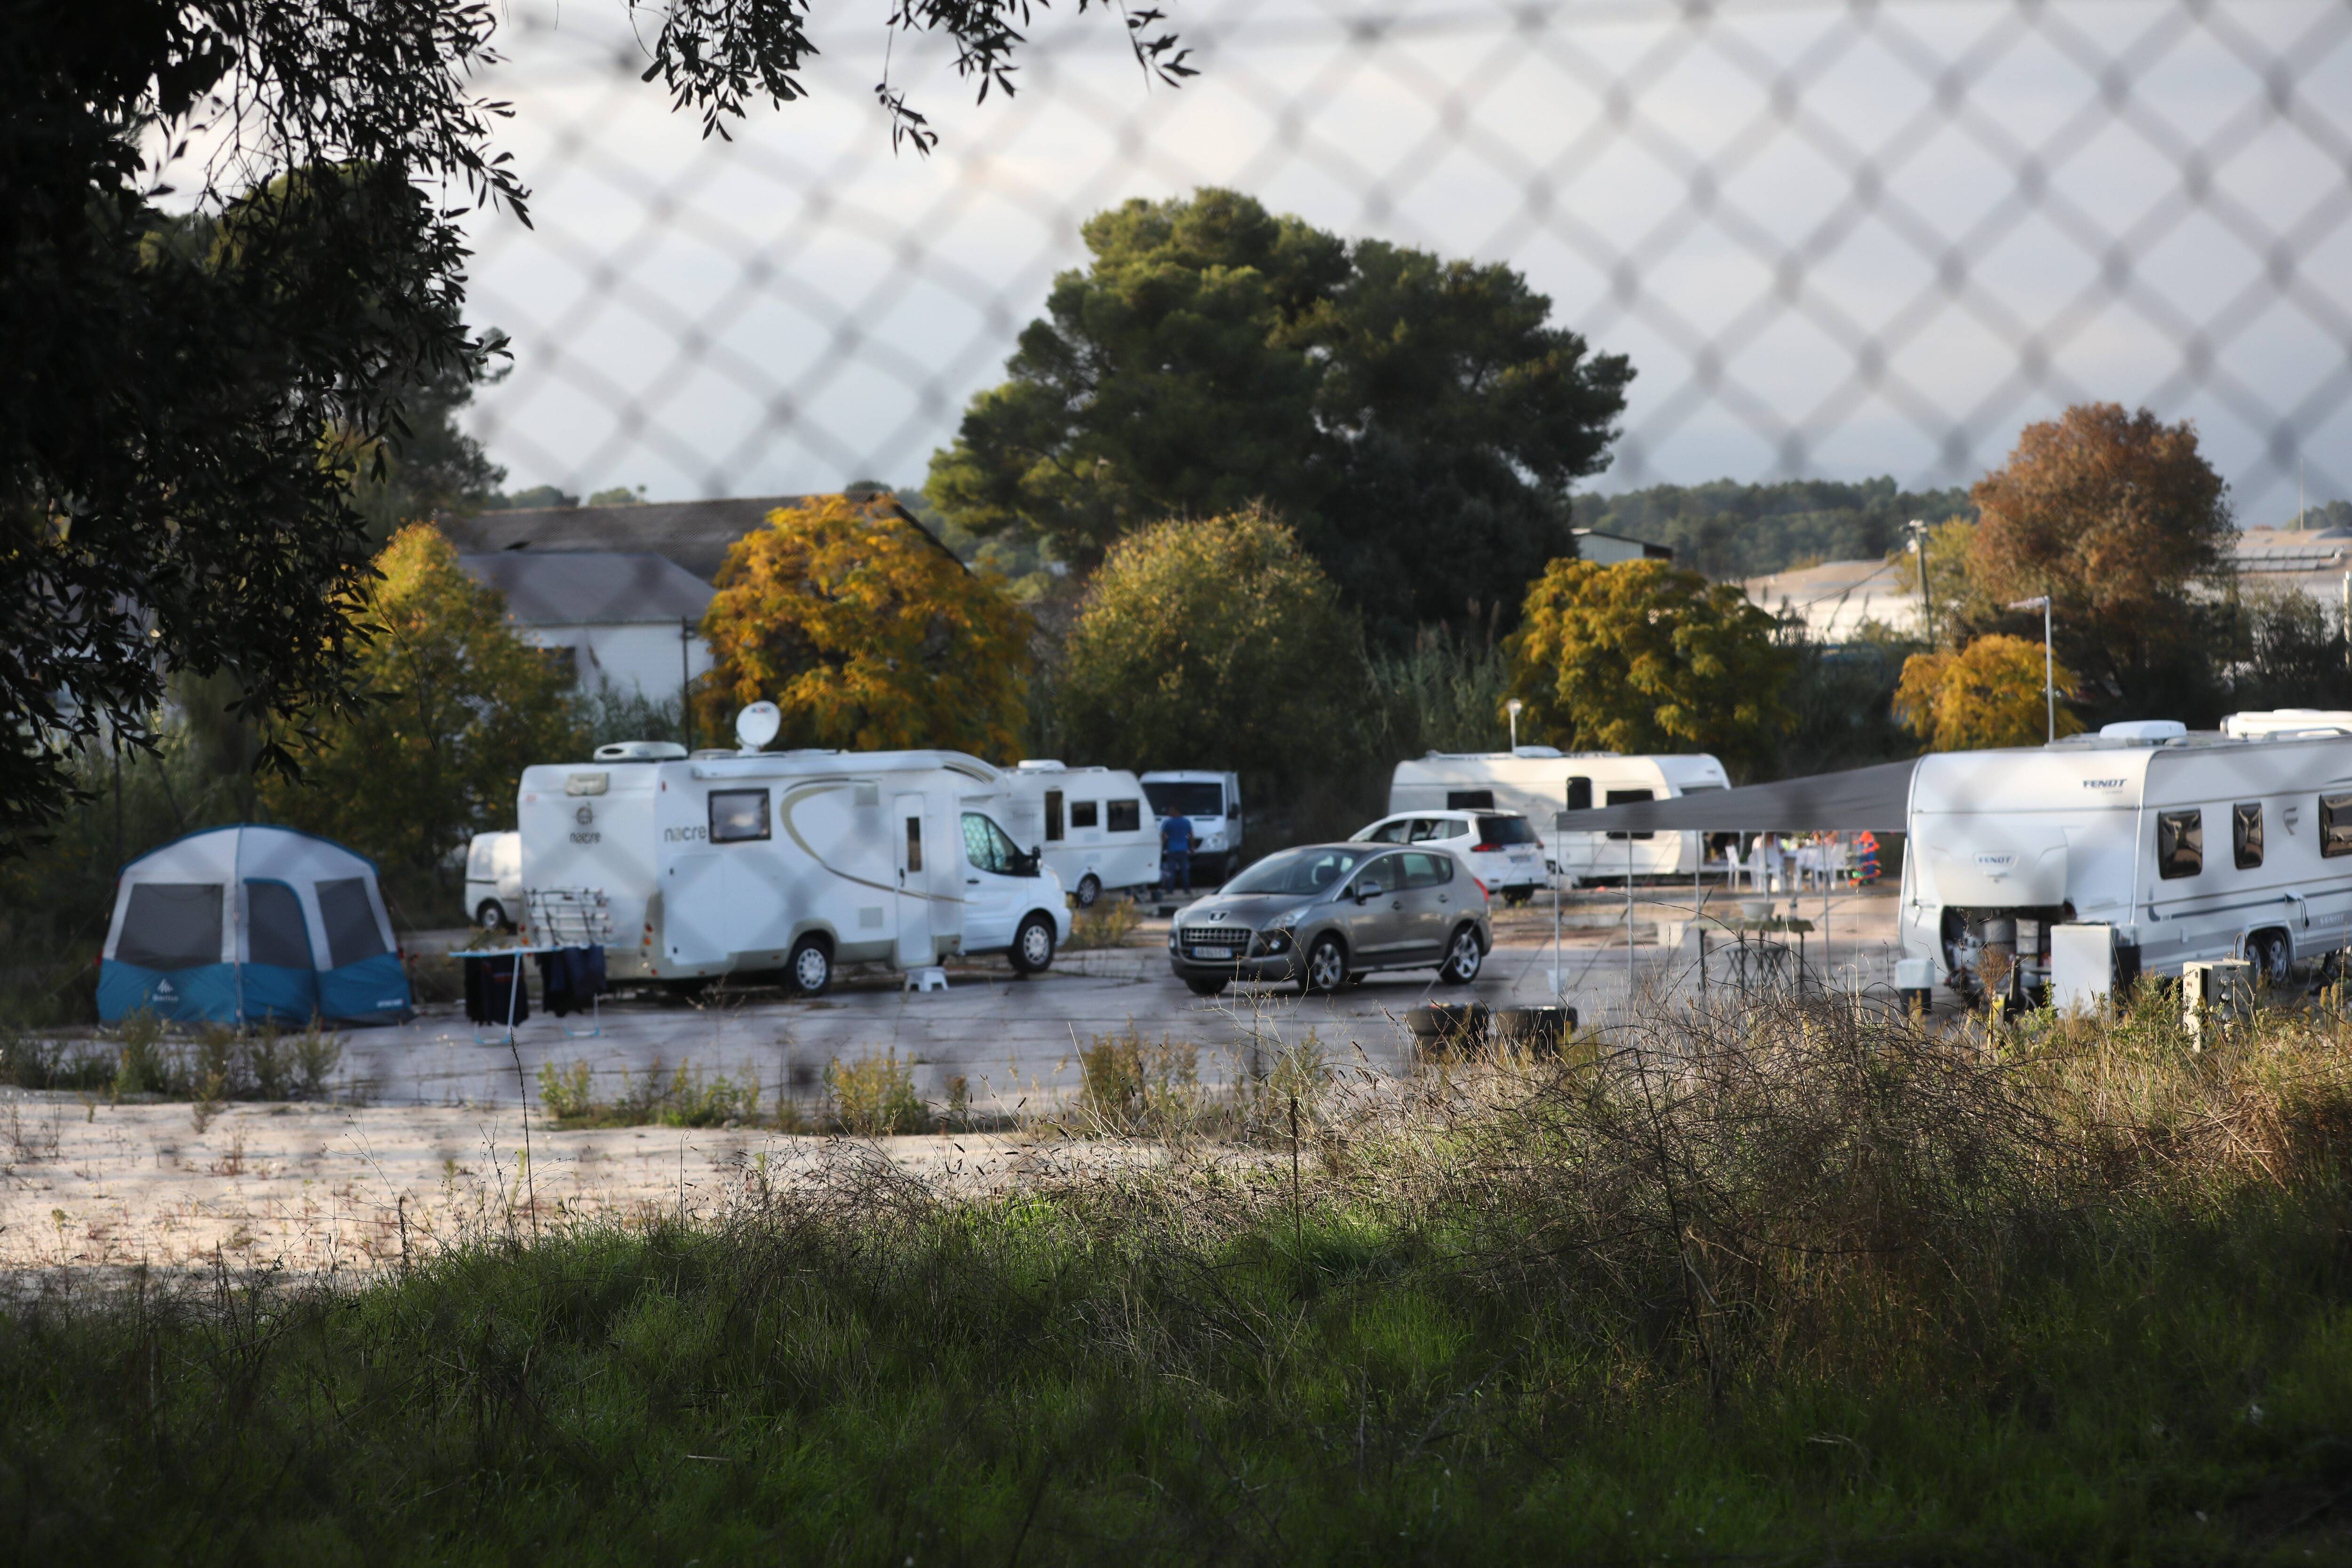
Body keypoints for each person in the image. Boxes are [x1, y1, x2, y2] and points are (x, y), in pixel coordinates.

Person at [1160, 810, 1194, 894]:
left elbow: (1163, 836)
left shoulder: (1168, 822)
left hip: (1172, 850)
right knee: (1185, 871)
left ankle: (1170, 890)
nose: (1169, 813)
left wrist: (1162, 847)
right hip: (1183, 850)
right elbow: (1191, 835)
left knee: (1171, 872)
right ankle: (1187, 890)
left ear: (1175, 812)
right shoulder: (1187, 822)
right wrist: (1192, 847)